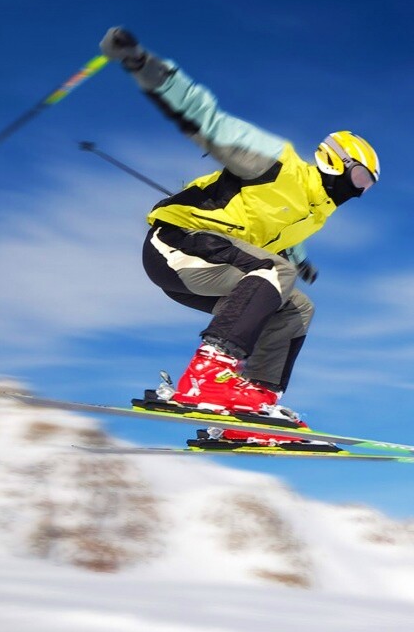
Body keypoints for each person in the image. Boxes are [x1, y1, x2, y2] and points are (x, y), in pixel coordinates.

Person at [99, 26, 379, 426]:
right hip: (176, 244)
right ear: (336, 163)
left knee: (297, 307)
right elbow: (205, 118)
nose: (360, 191)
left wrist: (301, 260)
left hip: (215, 268)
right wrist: (142, 63)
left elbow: (280, 233)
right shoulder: (276, 163)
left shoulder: (315, 212)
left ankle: (255, 398)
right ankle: (207, 376)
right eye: (360, 178)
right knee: (274, 271)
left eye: (367, 186)